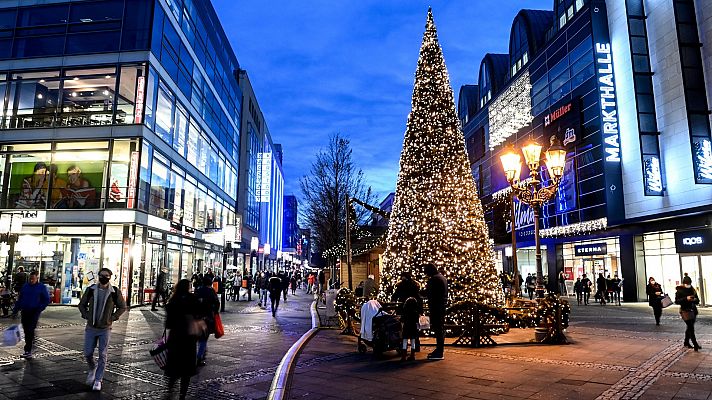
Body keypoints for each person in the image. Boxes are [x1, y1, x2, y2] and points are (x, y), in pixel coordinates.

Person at [78, 267, 127, 391]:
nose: (104, 277)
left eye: (106, 275)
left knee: (102, 354)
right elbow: (81, 304)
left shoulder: (114, 292)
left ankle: (98, 380)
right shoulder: (91, 290)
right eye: (101, 275)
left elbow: (122, 306)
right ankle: (92, 368)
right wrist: (86, 314)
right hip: (91, 327)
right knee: (88, 353)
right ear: (98, 276)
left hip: (105, 328)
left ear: (110, 277)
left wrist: (114, 317)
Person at [165, 279, 200, 399]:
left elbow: (168, 323)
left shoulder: (173, 300)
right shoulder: (193, 299)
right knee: (187, 368)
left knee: (174, 364)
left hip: (175, 336)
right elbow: (198, 314)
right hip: (189, 337)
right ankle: (182, 394)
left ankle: (170, 388)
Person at [11, 271, 50, 359]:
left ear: (37, 278)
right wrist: (15, 310)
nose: (32, 280)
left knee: (30, 330)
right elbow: (20, 299)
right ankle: (31, 345)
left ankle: (28, 350)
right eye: (30, 279)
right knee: (26, 330)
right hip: (25, 311)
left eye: (33, 279)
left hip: (34, 311)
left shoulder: (41, 287)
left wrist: (40, 308)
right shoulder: (25, 286)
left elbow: (46, 299)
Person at [392, 271, 422, 359]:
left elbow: (395, 295)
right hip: (413, 311)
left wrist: (394, 302)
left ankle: (403, 351)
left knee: (403, 333)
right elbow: (419, 298)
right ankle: (415, 348)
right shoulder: (415, 285)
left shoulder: (401, 285)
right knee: (414, 333)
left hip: (403, 310)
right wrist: (420, 311)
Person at [423, 263, 447, 360]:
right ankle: (439, 350)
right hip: (441, 306)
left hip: (436, 307)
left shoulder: (434, 279)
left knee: (438, 329)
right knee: (440, 329)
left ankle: (439, 351)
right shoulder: (442, 277)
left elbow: (429, 293)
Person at [195, 275, 219, 366]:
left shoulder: (198, 291)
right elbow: (217, 304)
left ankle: (202, 353)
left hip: (197, 318)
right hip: (207, 318)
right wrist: (215, 312)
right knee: (203, 339)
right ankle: (199, 356)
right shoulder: (211, 291)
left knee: (199, 337)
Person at [675, 276, 701, 351]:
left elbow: (697, 301)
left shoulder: (692, 290)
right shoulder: (680, 290)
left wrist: (693, 299)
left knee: (689, 327)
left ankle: (686, 342)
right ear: (684, 283)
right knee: (691, 328)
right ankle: (695, 344)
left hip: (693, 311)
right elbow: (677, 301)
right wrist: (686, 298)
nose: (688, 285)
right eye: (686, 283)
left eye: (689, 283)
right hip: (685, 311)